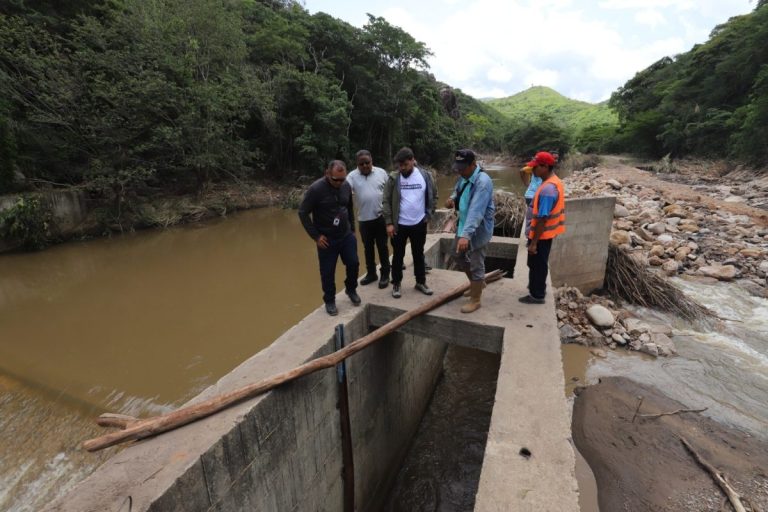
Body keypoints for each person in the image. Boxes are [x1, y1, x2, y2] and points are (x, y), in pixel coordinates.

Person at [298, 160, 361, 316]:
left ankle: (351, 289)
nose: (339, 183)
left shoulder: (346, 186)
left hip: (346, 235)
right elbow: (302, 213)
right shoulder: (316, 190)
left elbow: (348, 207)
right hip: (327, 239)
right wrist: (316, 236)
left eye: (342, 179)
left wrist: (352, 229)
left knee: (353, 263)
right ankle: (330, 300)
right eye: (336, 179)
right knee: (327, 272)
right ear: (327, 174)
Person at [382, 147, 437, 298]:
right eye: (399, 165)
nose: (402, 168)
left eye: (405, 164)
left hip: (419, 223)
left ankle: (420, 282)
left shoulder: (425, 176)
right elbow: (386, 201)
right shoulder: (394, 178)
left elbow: (434, 196)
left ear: (413, 160)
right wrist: (389, 223)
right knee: (398, 255)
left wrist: (429, 214)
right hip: (399, 225)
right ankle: (396, 284)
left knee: (418, 254)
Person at [444, 149, 495, 313]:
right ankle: (476, 284)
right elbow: (458, 189)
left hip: (477, 229)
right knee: (457, 254)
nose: (459, 171)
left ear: (474, 165)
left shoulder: (483, 182)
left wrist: (466, 236)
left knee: (476, 264)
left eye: (463, 168)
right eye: (458, 167)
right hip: (463, 225)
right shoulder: (464, 177)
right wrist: (452, 199)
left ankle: (476, 299)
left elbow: (476, 211)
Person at [520, 151, 565, 304]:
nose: (532, 170)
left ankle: (537, 295)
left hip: (541, 236)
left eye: (535, 167)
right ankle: (536, 286)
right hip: (545, 235)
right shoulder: (552, 182)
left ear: (545, 167)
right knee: (536, 264)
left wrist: (533, 243)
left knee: (538, 265)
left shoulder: (547, 190)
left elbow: (542, 219)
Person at [346, 150, 390, 289]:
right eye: (361, 163)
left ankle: (385, 274)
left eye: (367, 163)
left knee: (383, 247)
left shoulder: (382, 173)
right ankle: (371, 273)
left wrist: (391, 217)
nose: (365, 165)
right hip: (364, 220)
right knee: (367, 248)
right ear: (357, 164)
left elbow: (390, 193)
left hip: (381, 217)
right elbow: (344, 193)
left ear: (372, 161)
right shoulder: (351, 177)